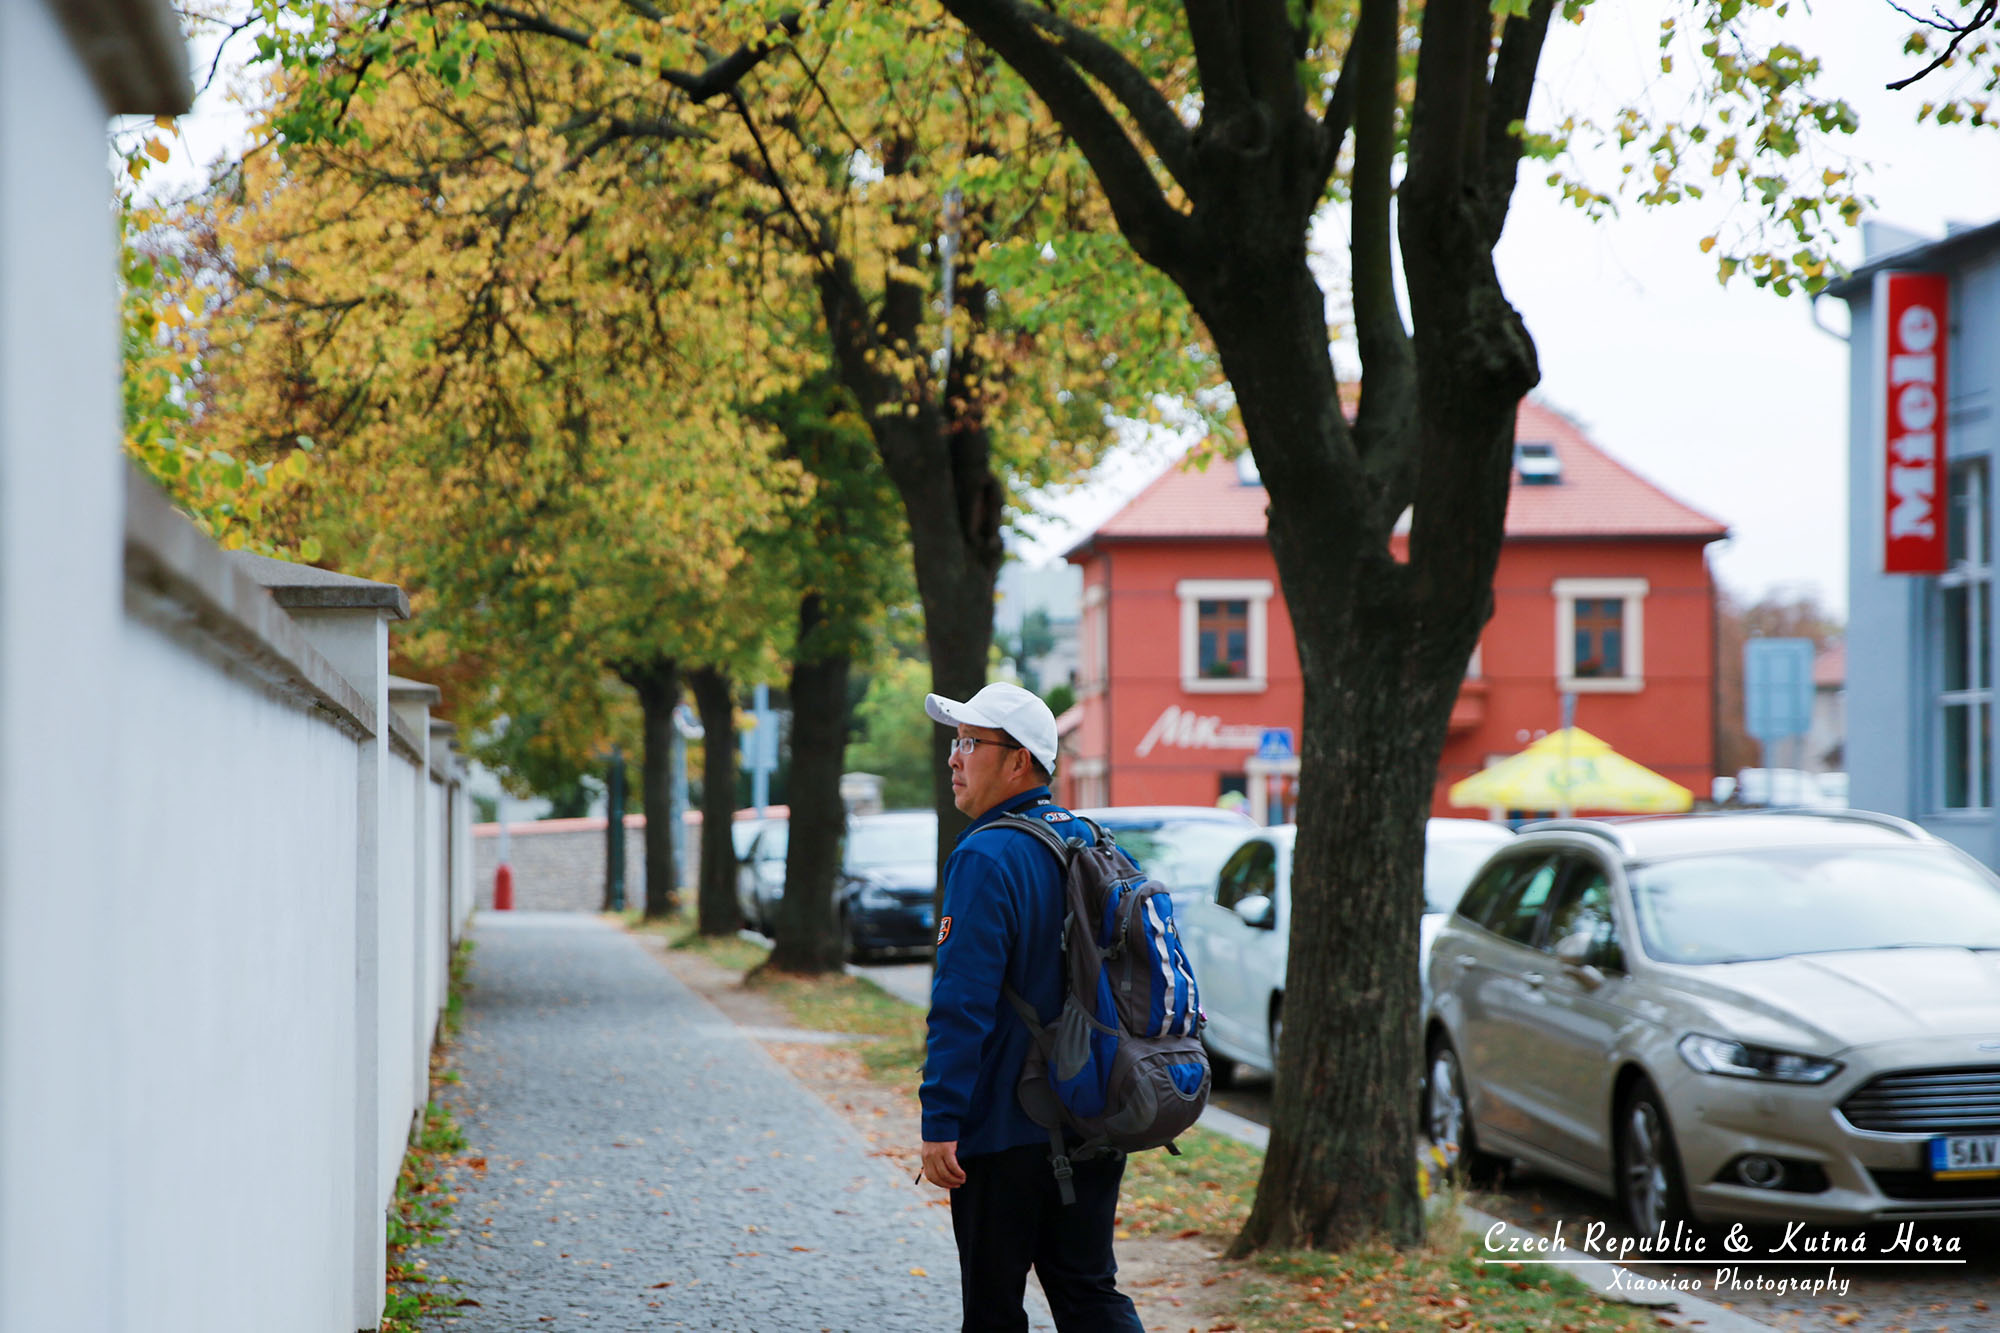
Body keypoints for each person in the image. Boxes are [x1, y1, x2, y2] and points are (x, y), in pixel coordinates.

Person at [918, 682, 1145, 1333]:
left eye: (970, 742)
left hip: (1004, 1130)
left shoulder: (986, 854)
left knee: (993, 1309)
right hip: (1094, 1111)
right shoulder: (1088, 836)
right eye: (955, 741)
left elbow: (961, 1005)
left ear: (1019, 761)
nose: (954, 758)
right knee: (1090, 1294)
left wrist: (941, 1119)